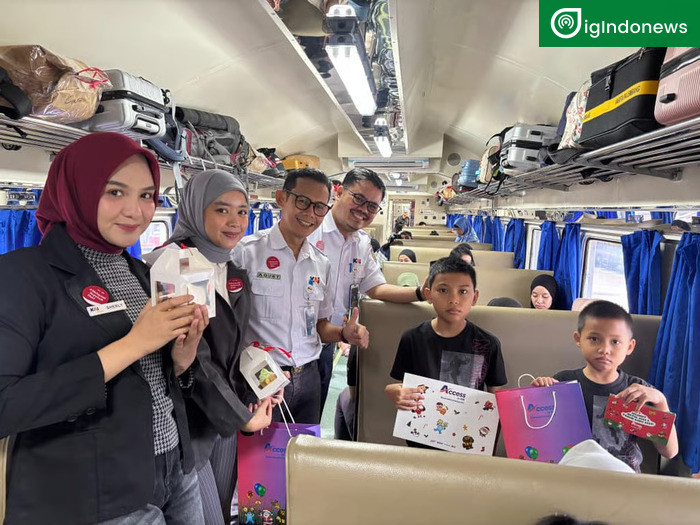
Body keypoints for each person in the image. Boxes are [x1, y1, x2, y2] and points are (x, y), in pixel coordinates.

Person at [0, 133, 210, 524]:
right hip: (94, 491)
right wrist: (133, 344)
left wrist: (182, 359)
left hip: (175, 469)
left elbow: (152, 381)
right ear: (76, 191)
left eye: (147, 195)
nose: (135, 211)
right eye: (115, 192)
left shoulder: (141, 272)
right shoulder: (21, 276)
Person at [155, 170, 276, 525]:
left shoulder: (232, 269)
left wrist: (266, 381)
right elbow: (193, 357)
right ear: (196, 209)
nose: (235, 222)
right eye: (222, 210)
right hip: (188, 420)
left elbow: (237, 346)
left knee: (222, 509)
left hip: (224, 415)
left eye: (243, 211)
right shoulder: (175, 264)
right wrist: (242, 416)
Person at [233, 168, 368, 424]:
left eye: (319, 207)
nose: (310, 214)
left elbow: (320, 326)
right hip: (260, 376)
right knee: (260, 449)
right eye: (303, 201)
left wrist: (343, 334)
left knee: (305, 448)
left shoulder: (321, 264)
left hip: (308, 378)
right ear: (281, 198)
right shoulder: (245, 254)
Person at [307, 167, 426, 433]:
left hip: (326, 343)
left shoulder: (362, 243)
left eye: (372, 206)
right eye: (358, 199)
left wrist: (421, 293)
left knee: (311, 419)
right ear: (339, 192)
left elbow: (377, 288)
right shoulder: (310, 229)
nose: (364, 210)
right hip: (290, 343)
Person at [530, 300, 679, 472]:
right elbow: (543, 438)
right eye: (594, 339)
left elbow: (670, 451)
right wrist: (538, 395)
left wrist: (660, 401)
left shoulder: (638, 390)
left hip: (622, 478)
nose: (605, 349)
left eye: (615, 342)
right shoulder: (563, 382)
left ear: (629, 347)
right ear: (578, 339)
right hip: (574, 474)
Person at [385, 257, 507, 448]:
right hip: (420, 442)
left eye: (463, 291)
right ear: (428, 294)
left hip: (468, 444)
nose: (454, 300)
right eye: (443, 290)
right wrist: (394, 392)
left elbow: (496, 399)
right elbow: (400, 386)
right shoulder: (412, 338)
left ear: (474, 297)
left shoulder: (488, 343)